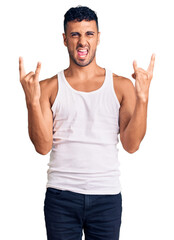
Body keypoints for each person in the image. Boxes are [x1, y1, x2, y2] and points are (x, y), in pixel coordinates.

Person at [19, 6, 155, 240]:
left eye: (89, 34)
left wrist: (143, 99)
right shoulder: (48, 88)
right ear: (65, 39)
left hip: (107, 197)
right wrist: (31, 102)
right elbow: (42, 147)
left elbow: (131, 145)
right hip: (61, 197)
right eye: (75, 34)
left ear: (98, 37)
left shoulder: (121, 86)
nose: (82, 42)